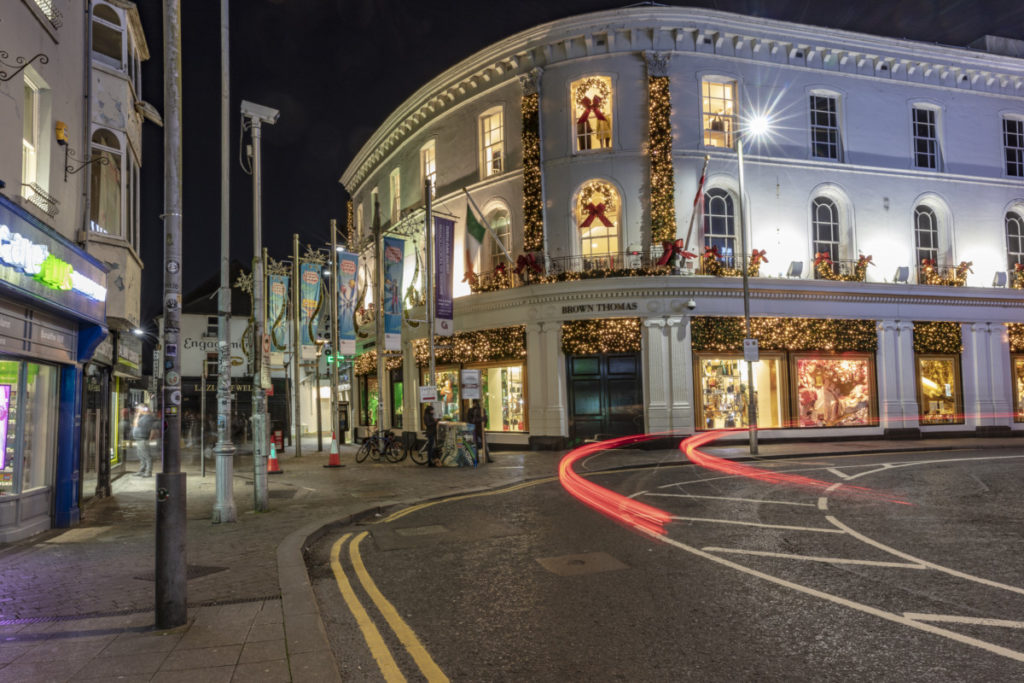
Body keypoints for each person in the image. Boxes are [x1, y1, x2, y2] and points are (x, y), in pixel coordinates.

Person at [131, 405, 158, 477]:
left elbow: (136, 424)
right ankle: (142, 470)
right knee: (141, 455)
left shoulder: (148, 417)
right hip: (139, 438)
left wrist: (137, 416)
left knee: (146, 456)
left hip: (143, 438)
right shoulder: (143, 417)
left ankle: (148, 472)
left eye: (139, 408)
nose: (137, 410)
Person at [466, 399, 492, 463]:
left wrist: (483, 422)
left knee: (483, 444)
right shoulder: (472, 410)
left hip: (479, 428)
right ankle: (477, 459)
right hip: (475, 428)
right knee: (476, 444)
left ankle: (486, 458)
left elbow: (485, 418)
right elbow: (471, 420)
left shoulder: (481, 410)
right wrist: (481, 420)